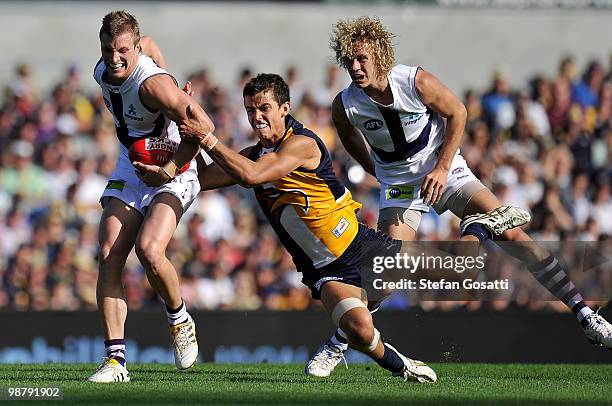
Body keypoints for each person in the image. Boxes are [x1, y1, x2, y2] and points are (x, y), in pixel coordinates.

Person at [136, 73, 526, 382]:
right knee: (359, 327)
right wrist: (173, 146)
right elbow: (200, 180)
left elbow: (253, 176)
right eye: (251, 110)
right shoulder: (251, 155)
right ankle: (402, 366)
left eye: (265, 108)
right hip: (325, 268)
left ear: (285, 108)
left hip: (360, 245)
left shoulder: (302, 144)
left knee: (462, 265)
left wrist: (205, 136)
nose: (257, 117)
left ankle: (481, 226)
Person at [304, 15, 612, 377]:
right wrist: (375, 170)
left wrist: (442, 166)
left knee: (515, 236)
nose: (355, 67)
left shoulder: (415, 80)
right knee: (385, 278)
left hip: (446, 171)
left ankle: (585, 314)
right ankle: (340, 341)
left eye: (362, 59)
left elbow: (458, 112)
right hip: (400, 189)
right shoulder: (347, 104)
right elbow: (347, 135)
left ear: (380, 56)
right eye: (350, 60)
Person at [88, 11, 214, 383]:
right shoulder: (102, 69)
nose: (115, 58)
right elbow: (152, 43)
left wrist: (170, 169)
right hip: (133, 163)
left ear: (134, 48)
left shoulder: (151, 85)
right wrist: (163, 65)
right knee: (109, 253)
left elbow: (204, 127)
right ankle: (115, 362)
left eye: (123, 50)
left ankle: (179, 319)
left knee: (149, 250)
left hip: (175, 162)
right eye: (109, 49)